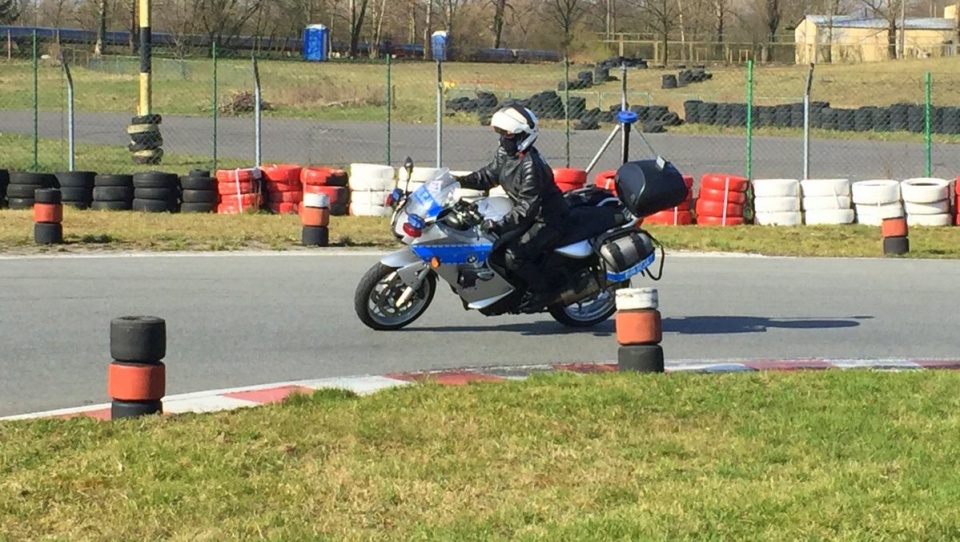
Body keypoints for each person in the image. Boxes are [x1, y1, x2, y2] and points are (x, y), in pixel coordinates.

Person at [453, 103, 569, 309]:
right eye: (501, 133)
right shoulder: (507, 153)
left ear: (522, 136)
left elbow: (527, 208)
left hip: (547, 219)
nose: (502, 139)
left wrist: (497, 225)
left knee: (513, 255)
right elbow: (488, 175)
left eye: (507, 134)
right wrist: (458, 181)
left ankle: (544, 292)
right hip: (525, 213)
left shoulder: (532, 165)